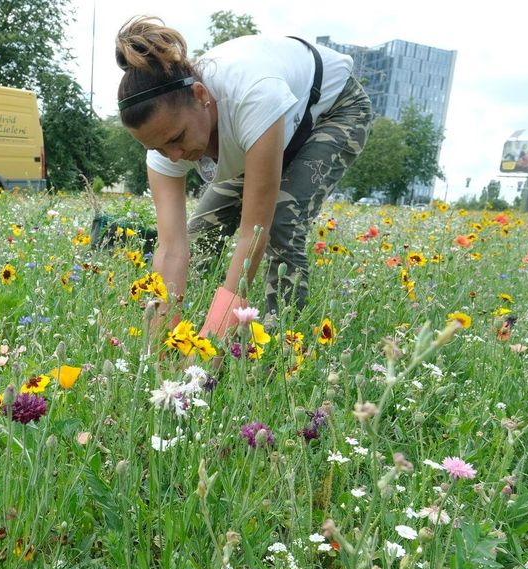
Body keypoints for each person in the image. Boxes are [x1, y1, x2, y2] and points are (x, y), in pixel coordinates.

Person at [116, 16, 371, 333]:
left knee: (281, 221)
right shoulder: (165, 140)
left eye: (176, 139)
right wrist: (159, 348)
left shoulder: (252, 95)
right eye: (157, 149)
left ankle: (284, 349)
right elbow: (171, 249)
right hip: (258, 131)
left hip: (332, 110)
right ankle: (184, 334)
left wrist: (212, 344)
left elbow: (252, 235)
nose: (174, 156)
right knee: (201, 233)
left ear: (200, 96)